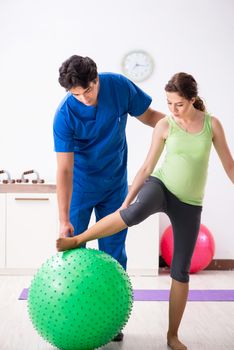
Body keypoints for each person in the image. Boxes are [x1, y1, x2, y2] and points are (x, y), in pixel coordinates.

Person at [56, 72, 234, 350]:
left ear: (193, 100)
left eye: (179, 104)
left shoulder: (212, 125)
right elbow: (146, 167)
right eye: (169, 104)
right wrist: (127, 200)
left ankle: (170, 335)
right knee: (132, 214)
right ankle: (77, 240)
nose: (173, 110)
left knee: (180, 272)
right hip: (156, 185)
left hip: (188, 201)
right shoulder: (165, 125)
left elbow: (230, 166)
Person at [53, 55, 164, 341]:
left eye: (88, 90)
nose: (84, 98)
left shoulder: (118, 86)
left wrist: (180, 127)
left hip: (115, 186)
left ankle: (112, 319)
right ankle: (72, 316)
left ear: (97, 78)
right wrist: (64, 220)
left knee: (113, 253)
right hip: (80, 188)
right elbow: (64, 169)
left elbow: (150, 117)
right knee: (73, 253)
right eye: (75, 94)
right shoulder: (65, 114)